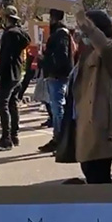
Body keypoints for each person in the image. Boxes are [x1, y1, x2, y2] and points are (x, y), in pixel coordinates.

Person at [57, 10, 112, 184]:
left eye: (84, 29)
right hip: (82, 121)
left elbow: (105, 47)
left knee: (99, 176)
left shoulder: (110, 49)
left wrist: (88, 26)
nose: (81, 33)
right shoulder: (85, 53)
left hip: (99, 123)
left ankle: (106, 210)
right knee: (90, 172)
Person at [0, 6, 31, 151]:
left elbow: (5, 57)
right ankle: (14, 135)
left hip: (8, 73)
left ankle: (6, 138)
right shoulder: (21, 33)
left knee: (2, 105)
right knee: (12, 104)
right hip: (17, 72)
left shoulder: (9, 34)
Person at [38, 9, 75, 153]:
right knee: (56, 107)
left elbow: (61, 56)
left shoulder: (61, 34)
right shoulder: (59, 33)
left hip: (58, 75)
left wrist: (46, 60)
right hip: (56, 74)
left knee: (58, 108)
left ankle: (60, 139)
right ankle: (57, 138)